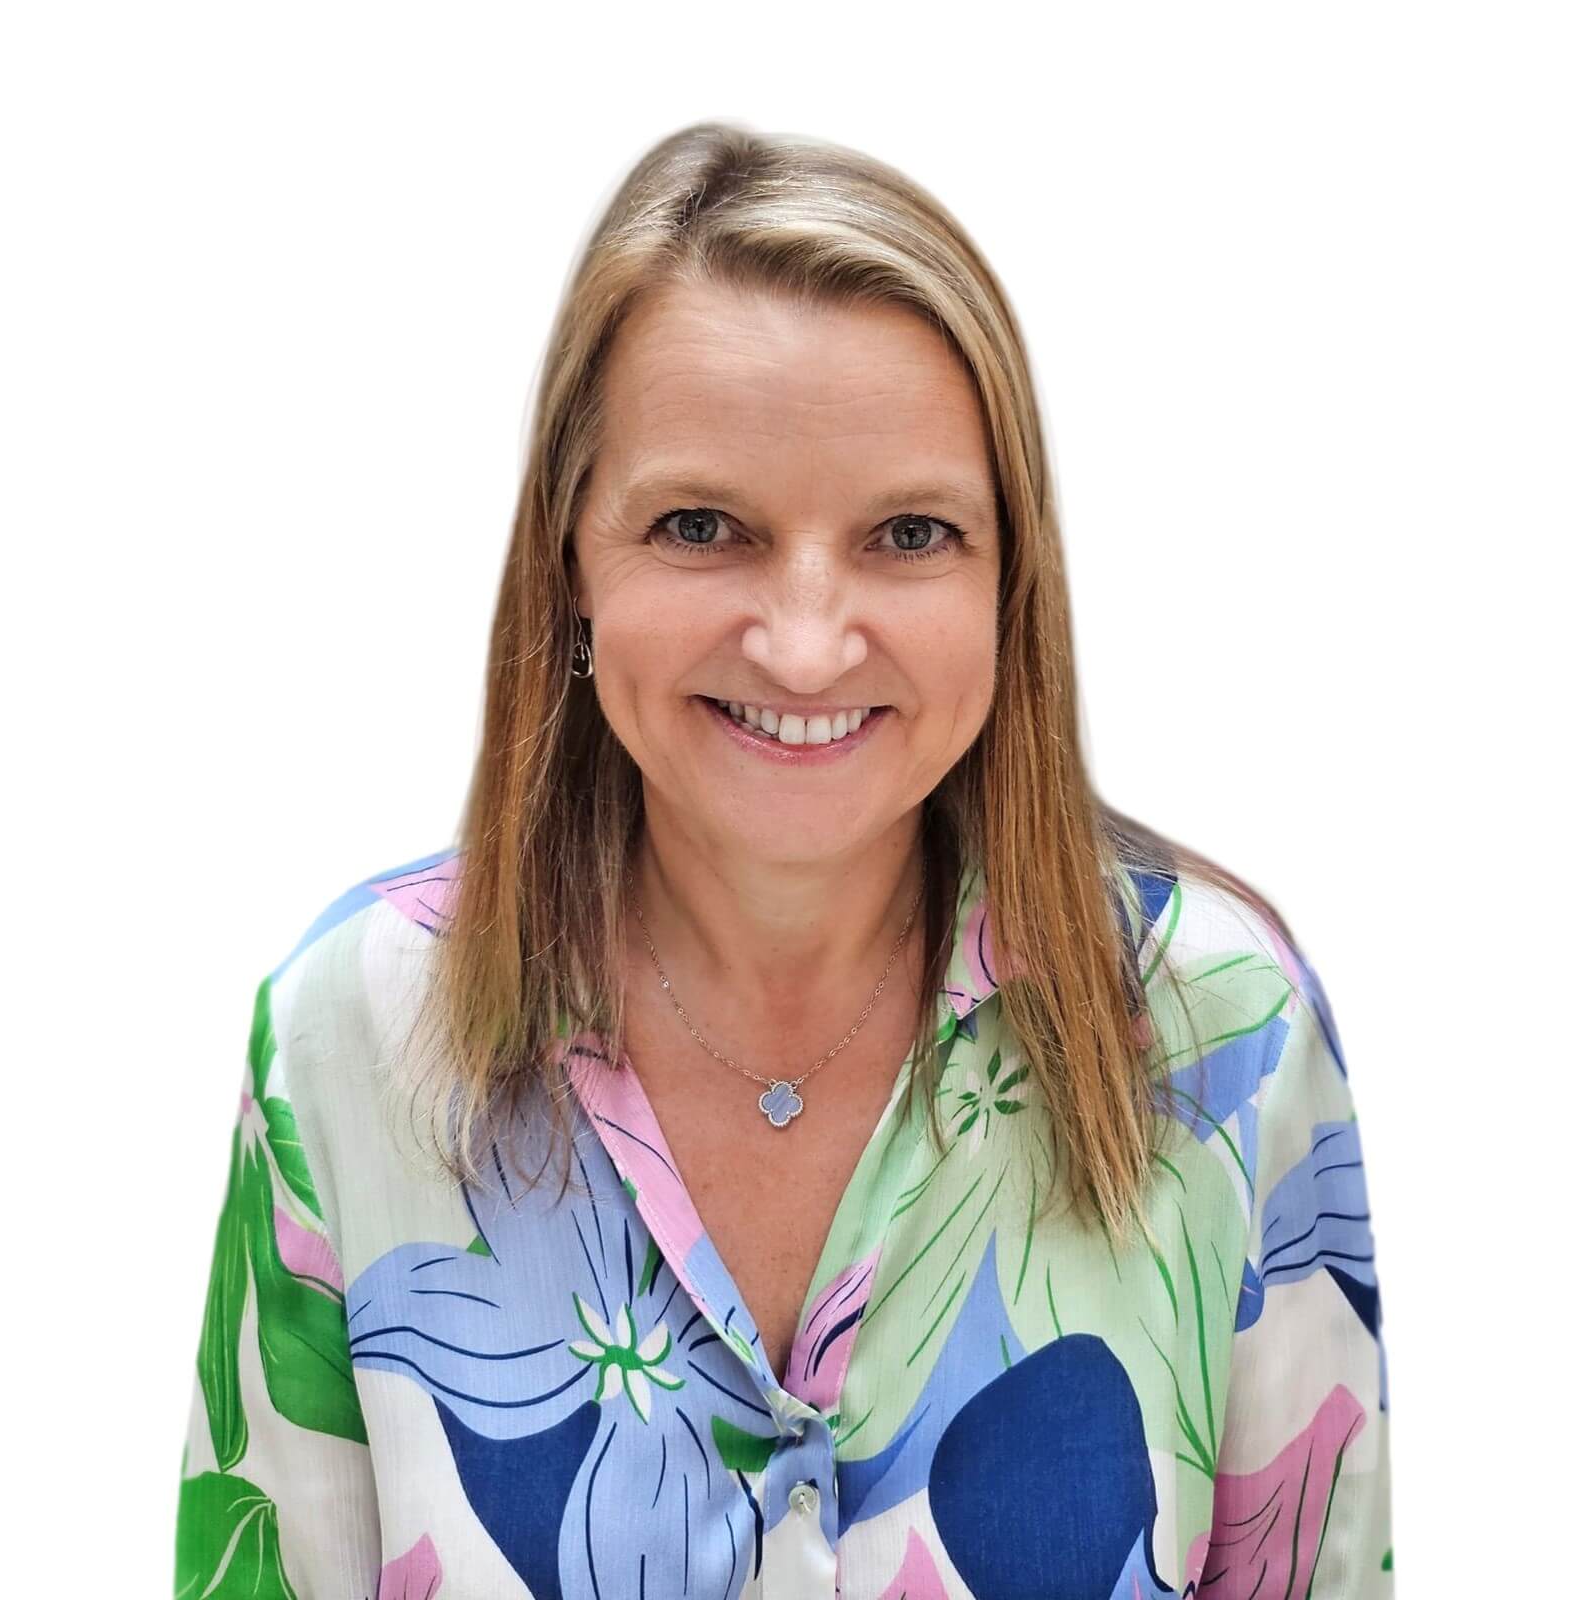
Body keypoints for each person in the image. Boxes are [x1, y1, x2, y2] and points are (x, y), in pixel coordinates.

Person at [173, 121, 1394, 1598]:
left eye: (909, 533)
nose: (807, 641)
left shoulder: (1222, 1040)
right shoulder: (353, 1038)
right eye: (702, 526)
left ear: (1012, 580)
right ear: (570, 559)